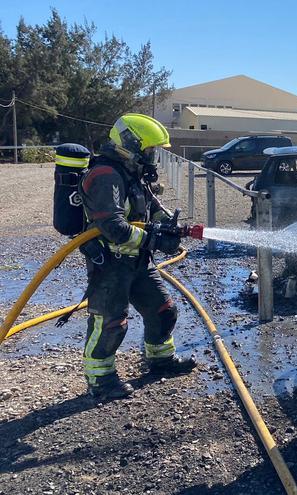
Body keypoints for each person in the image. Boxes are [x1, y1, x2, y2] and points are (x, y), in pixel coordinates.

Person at [77, 113, 196, 400]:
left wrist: (169, 226)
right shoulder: (105, 176)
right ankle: (100, 379)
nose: (152, 157)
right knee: (111, 323)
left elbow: (150, 207)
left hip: (137, 261)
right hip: (110, 264)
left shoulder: (130, 172)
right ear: (131, 143)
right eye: (150, 150)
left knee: (163, 310)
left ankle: (160, 359)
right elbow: (113, 227)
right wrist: (154, 238)